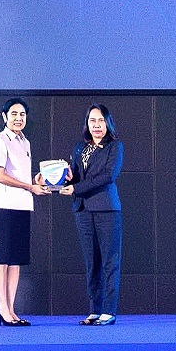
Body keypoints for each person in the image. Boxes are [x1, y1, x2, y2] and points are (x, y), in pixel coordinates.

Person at [60, 103, 123, 326]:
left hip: (107, 210)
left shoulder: (114, 147)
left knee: (110, 262)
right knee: (92, 263)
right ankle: (95, 310)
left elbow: (108, 176)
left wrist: (76, 188)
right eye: (92, 121)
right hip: (83, 210)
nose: (96, 125)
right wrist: (64, 178)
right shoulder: (80, 147)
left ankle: (108, 311)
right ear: (87, 124)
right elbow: (76, 178)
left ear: (108, 123)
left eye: (101, 121)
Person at [0, 98, 49, 326]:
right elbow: (0, 176)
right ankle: (2, 309)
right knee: (1, 260)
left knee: (15, 261)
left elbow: (22, 177)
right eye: (14, 114)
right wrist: (30, 187)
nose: (18, 118)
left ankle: (11, 310)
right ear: (4, 117)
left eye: (22, 114)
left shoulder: (25, 143)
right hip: (4, 206)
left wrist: (37, 181)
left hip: (23, 205)